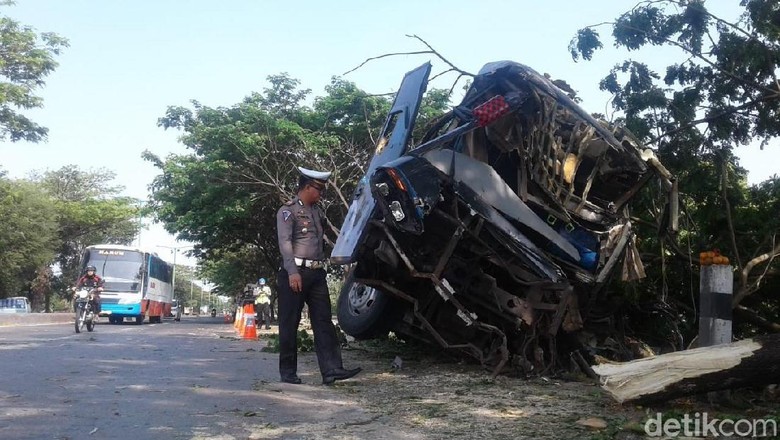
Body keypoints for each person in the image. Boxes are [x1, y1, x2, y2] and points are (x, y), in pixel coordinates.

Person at [276, 166, 361, 385]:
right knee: (289, 323)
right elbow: (285, 243)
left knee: (323, 321)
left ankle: (332, 369)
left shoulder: (316, 211)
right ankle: (288, 372)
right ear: (306, 187)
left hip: (316, 273)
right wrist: (292, 272)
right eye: (318, 189)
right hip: (295, 273)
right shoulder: (288, 211)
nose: (321, 194)